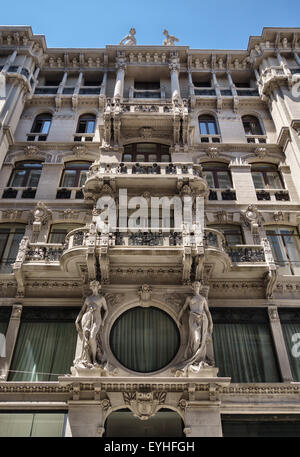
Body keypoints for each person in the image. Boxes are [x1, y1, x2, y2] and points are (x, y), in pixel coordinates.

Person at [178, 281, 213, 370]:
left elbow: (207, 311)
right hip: (193, 318)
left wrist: (211, 322)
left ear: (200, 287)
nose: (196, 286)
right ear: (192, 287)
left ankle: (199, 360)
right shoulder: (189, 298)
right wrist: (178, 319)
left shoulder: (203, 298)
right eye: (195, 285)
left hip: (203, 318)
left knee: (202, 339)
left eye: (198, 285)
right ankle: (193, 359)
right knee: (196, 339)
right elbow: (183, 308)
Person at [74, 280, 108, 368]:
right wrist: (77, 320)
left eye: (95, 286)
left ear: (98, 287)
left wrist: (103, 321)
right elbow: (82, 310)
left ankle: (94, 359)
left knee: (92, 337)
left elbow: (106, 310)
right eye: (92, 286)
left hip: (97, 318)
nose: (93, 287)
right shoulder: (88, 299)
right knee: (87, 338)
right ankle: (90, 359)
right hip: (87, 317)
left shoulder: (101, 298)